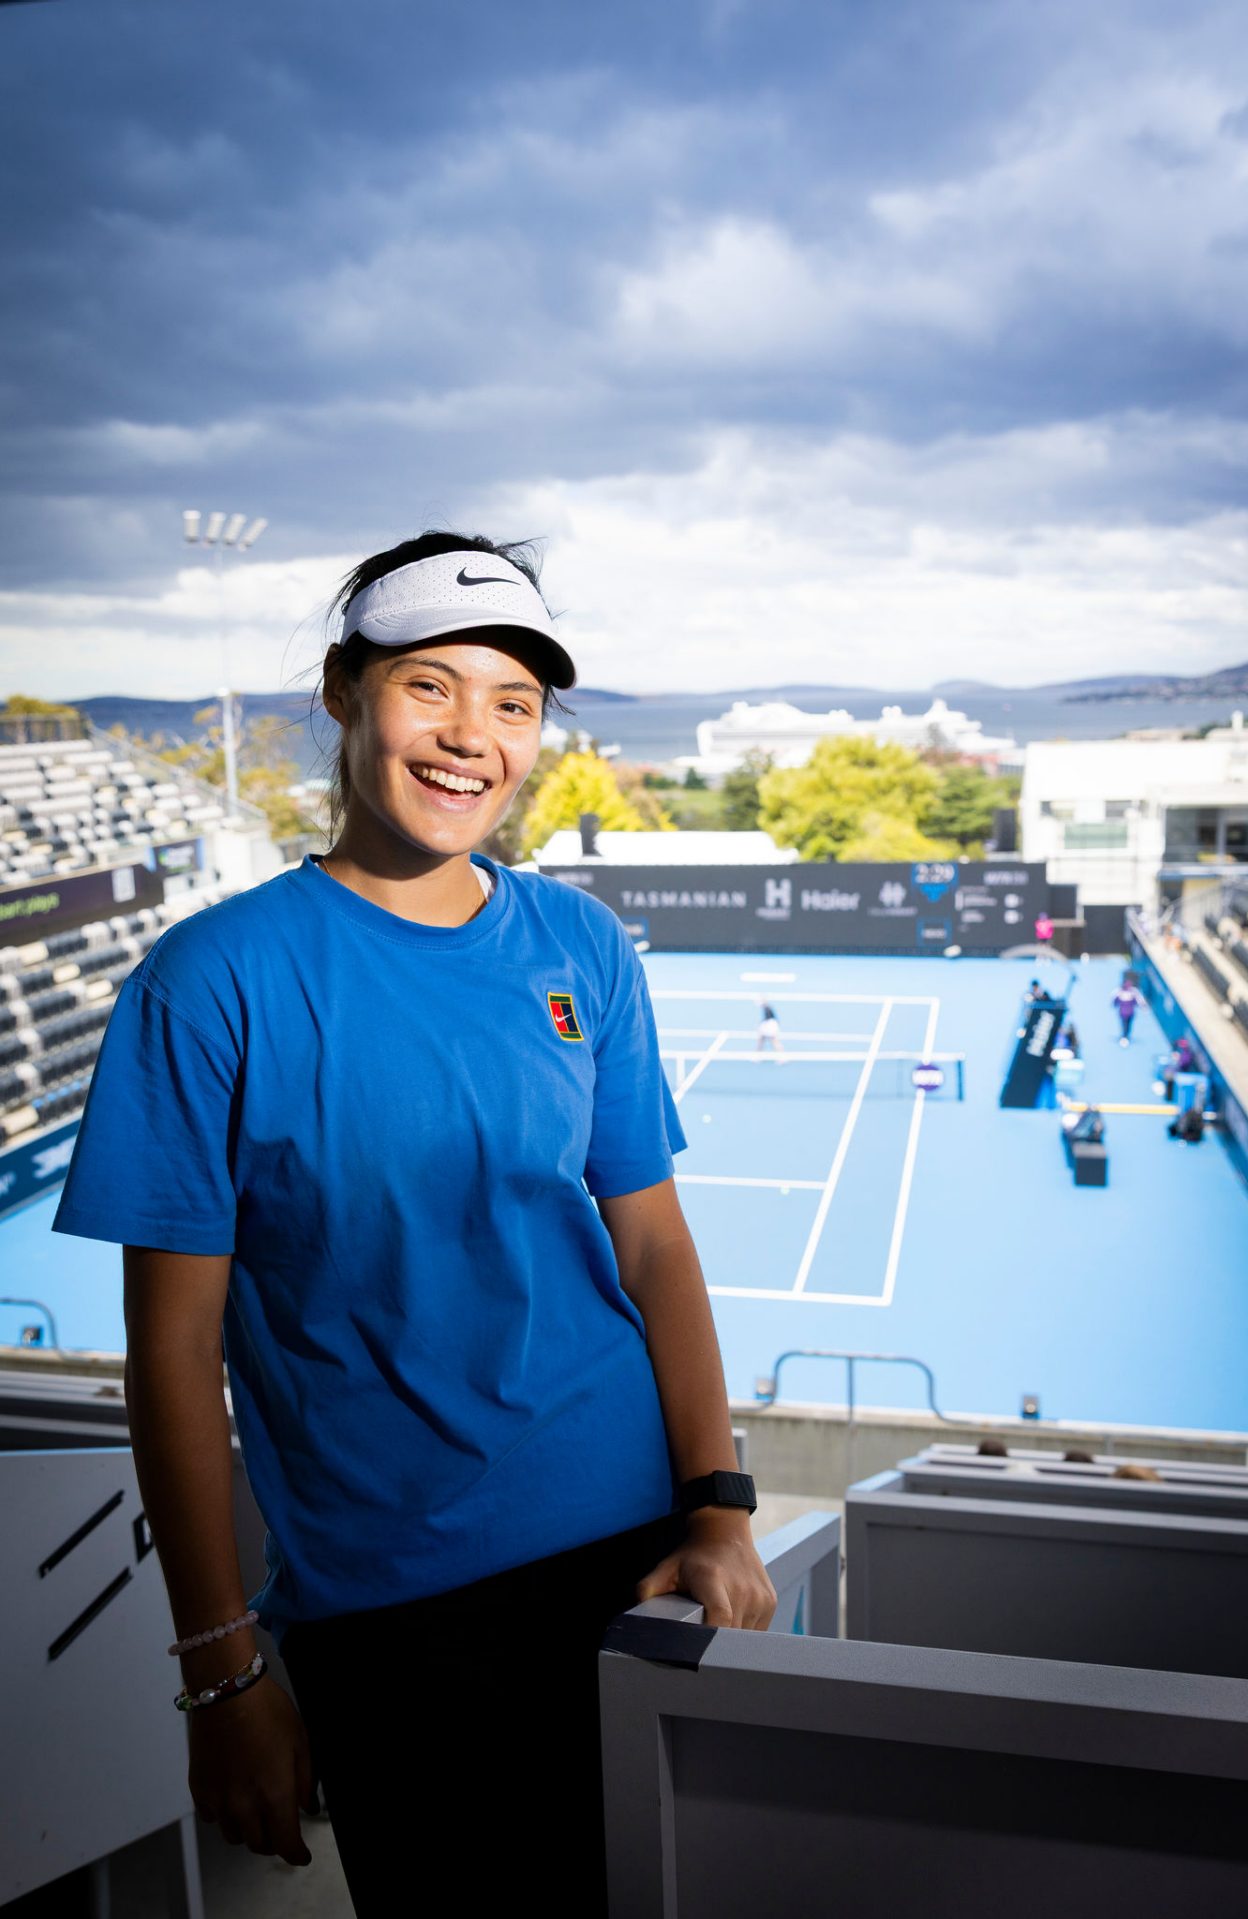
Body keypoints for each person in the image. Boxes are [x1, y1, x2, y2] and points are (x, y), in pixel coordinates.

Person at [52, 529, 776, 1913]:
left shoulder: (585, 947)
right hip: (391, 1614)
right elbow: (171, 1363)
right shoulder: (208, 981)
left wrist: (719, 1503)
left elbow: (655, 1247)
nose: (472, 736)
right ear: (343, 692)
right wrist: (222, 1669)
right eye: (430, 686)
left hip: (638, 1560)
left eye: (513, 702)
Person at [1112, 974, 1145, 1046]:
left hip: (1129, 1012)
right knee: (1125, 1024)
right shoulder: (1119, 991)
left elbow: (1139, 1000)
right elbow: (1114, 999)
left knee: (1128, 1024)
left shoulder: (1134, 992)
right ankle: (1125, 1036)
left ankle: (1126, 1036)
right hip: (1124, 1012)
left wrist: (1142, 1006)